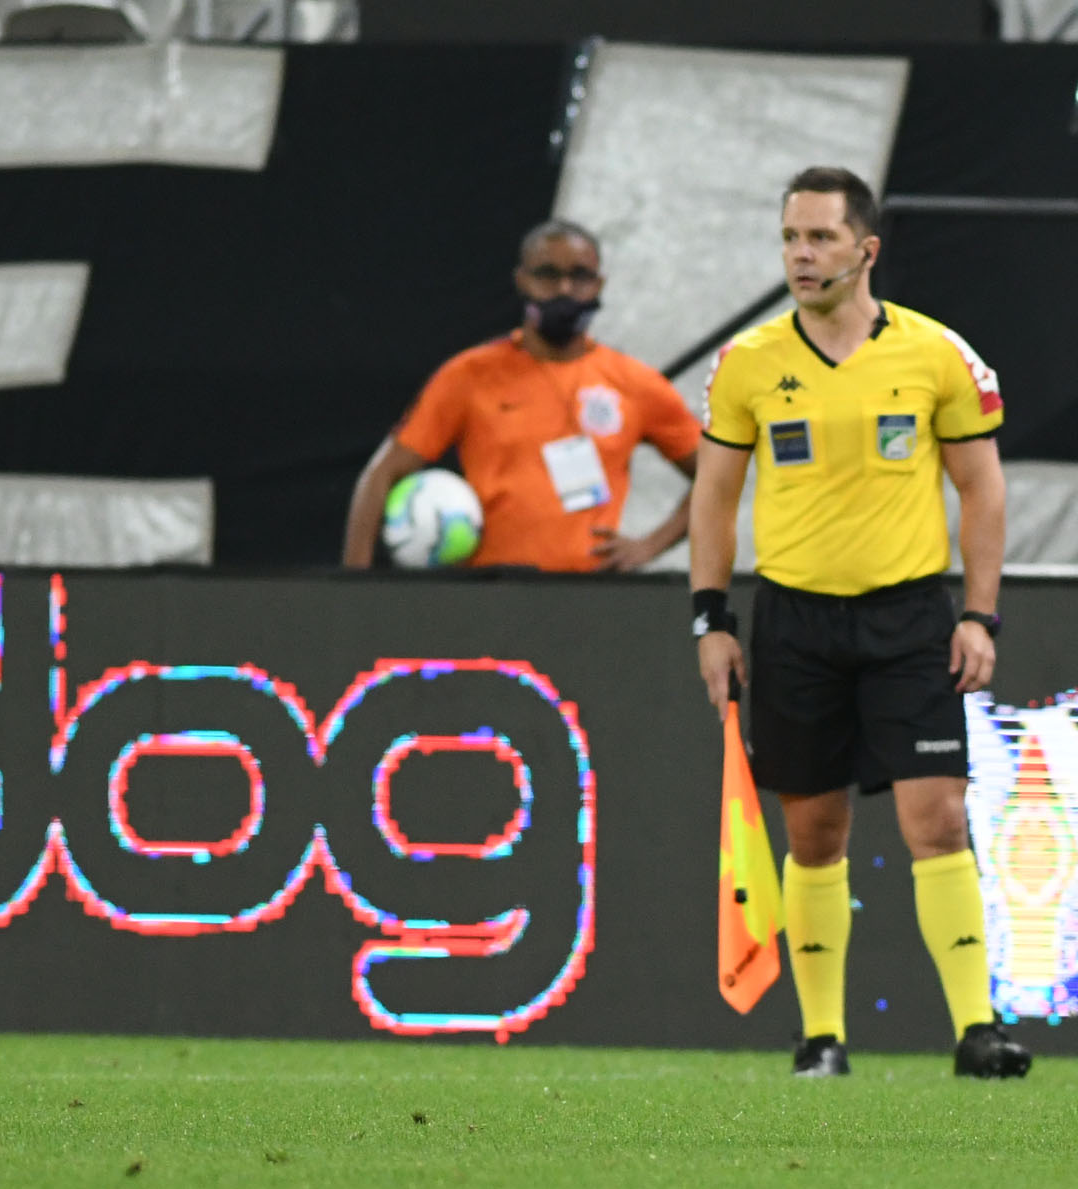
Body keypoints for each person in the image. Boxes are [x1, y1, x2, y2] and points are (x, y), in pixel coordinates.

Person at [686, 166, 1028, 1081]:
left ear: (866, 249)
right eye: (790, 238)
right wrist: (710, 619)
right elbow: (714, 497)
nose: (801, 255)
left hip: (908, 617)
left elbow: (982, 488)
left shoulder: (937, 355)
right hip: (793, 620)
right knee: (814, 834)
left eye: (820, 237)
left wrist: (979, 614)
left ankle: (977, 1030)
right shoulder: (747, 363)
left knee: (938, 816)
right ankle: (822, 1038)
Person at [343, 220, 699, 571]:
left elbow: (717, 474)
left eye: (579, 276)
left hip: (592, 593)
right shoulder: (469, 375)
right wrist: (354, 588)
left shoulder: (634, 383)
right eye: (548, 274)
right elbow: (380, 475)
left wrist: (649, 546)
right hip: (492, 591)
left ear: (599, 284)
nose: (564, 288)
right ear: (522, 280)